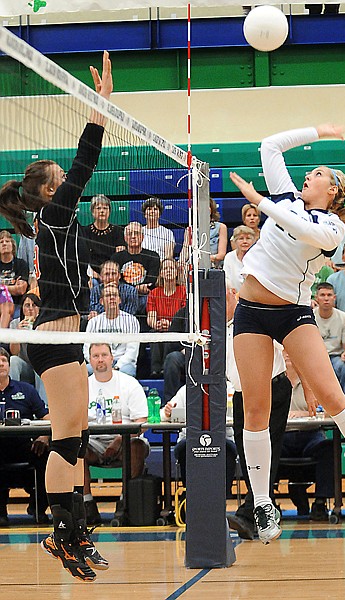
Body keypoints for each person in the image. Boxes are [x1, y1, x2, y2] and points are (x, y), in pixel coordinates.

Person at [229, 123, 345, 544]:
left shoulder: (332, 229)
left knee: (330, 395)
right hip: (251, 313)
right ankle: (263, 504)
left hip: (292, 313)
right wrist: (318, 132)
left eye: (318, 173)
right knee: (255, 408)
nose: (309, 175)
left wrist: (259, 203)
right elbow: (269, 144)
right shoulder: (287, 197)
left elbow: (302, 230)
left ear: (333, 192)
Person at [0, 51, 112, 580]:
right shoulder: (57, 213)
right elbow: (88, 156)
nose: (69, 180)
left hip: (61, 335)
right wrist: (100, 105)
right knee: (67, 436)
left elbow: (82, 164)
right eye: (61, 178)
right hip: (56, 337)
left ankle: (74, 528)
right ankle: (62, 533)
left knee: (75, 434)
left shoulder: (53, 222)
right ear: (50, 190)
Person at [225, 280, 291, 540]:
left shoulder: (255, 315)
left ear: (233, 294)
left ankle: (250, 512)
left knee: (266, 451)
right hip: (242, 396)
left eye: (221, 298)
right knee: (247, 452)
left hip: (271, 389)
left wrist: (306, 389)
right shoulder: (221, 328)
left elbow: (290, 351)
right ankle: (266, 509)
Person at [84, 343, 149, 524]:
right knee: (75, 448)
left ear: (112, 358)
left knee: (137, 446)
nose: (100, 359)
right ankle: (87, 504)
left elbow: (142, 422)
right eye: (96, 356)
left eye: (104, 355)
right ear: (90, 360)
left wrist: (120, 440)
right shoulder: (83, 386)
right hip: (94, 441)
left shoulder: (129, 383)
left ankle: (125, 502)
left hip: (126, 440)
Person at [0, 348, 50, 525]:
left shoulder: (26, 390)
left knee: (49, 455)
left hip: (26, 446)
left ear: (9, 365)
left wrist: (44, 436)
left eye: (4, 361)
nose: (1, 364)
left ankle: (38, 508)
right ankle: (0, 513)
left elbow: (47, 417)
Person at [161, 384, 237, 500]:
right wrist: (167, 413)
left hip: (224, 440)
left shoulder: (231, 389)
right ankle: (191, 497)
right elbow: (164, 414)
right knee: (187, 449)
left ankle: (222, 498)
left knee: (226, 450)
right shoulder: (186, 389)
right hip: (189, 440)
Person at [282, 352, 334, 521]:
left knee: (328, 447)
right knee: (266, 448)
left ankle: (320, 502)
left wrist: (304, 413)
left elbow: (328, 411)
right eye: (284, 351)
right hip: (283, 435)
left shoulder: (313, 382)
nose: (288, 355)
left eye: (291, 351)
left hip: (310, 434)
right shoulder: (273, 382)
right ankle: (268, 503)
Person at [84, 283, 140, 377]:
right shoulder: (93, 322)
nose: (112, 298)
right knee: (84, 370)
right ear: (101, 301)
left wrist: (117, 367)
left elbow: (132, 352)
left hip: (123, 363)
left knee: (127, 372)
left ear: (119, 300)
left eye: (115, 295)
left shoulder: (132, 321)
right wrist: (99, 362)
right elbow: (87, 350)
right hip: (100, 361)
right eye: (108, 295)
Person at [313, 282, 345, 401]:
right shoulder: (310, 316)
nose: (326, 298)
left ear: (334, 298)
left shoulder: (343, 317)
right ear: (316, 298)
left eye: (329, 295)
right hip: (316, 358)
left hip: (336, 357)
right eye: (322, 295)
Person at [111, 221, 160, 318]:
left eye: (136, 233)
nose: (133, 236)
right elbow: (115, 281)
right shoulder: (116, 258)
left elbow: (151, 281)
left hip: (145, 296)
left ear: (142, 237)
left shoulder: (153, 256)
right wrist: (133, 290)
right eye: (130, 234)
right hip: (123, 296)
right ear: (125, 238)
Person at [146, 257, 186, 378]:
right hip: (159, 328)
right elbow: (150, 316)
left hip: (177, 330)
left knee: (170, 333)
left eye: (171, 268)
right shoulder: (154, 293)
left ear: (176, 272)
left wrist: (170, 324)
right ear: (161, 273)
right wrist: (156, 324)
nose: (168, 271)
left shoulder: (184, 291)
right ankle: (155, 370)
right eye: (165, 268)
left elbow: (184, 316)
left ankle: (165, 368)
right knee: (154, 333)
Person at [9, 292, 47, 403]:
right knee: (13, 360)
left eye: (34, 305)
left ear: (39, 309)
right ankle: (12, 399)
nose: (31, 309)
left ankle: (43, 406)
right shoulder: (15, 324)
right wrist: (18, 335)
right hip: (24, 365)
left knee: (41, 364)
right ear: (22, 309)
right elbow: (14, 352)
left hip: (39, 363)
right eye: (27, 305)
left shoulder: (45, 324)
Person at [82, 194, 125, 282]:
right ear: (92, 212)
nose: (102, 211)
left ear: (109, 212)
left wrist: (109, 274)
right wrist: (95, 275)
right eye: (98, 208)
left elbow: (120, 256)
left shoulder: (117, 231)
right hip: (92, 274)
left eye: (105, 208)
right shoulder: (85, 231)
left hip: (112, 273)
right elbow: (83, 257)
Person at [0, 230, 29, 314]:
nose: (4, 243)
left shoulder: (21, 264)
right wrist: (13, 287)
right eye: (1, 242)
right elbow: (16, 289)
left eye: (7, 241)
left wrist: (2, 287)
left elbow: (21, 290)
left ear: (12, 245)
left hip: (17, 306)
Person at [223, 225, 256, 293]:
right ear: (235, 241)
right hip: (234, 295)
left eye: (248, 238)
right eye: (241, 239)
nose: (245, 241)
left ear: (253, 241)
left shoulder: (257, 257)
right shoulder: (229, 257)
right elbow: (226, 278)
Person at [209, 197, 228, 268]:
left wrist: (206, 259)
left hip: (215, 266)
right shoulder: (190, 229)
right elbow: (185, 253)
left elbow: (221, 255)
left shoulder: (221, 227)